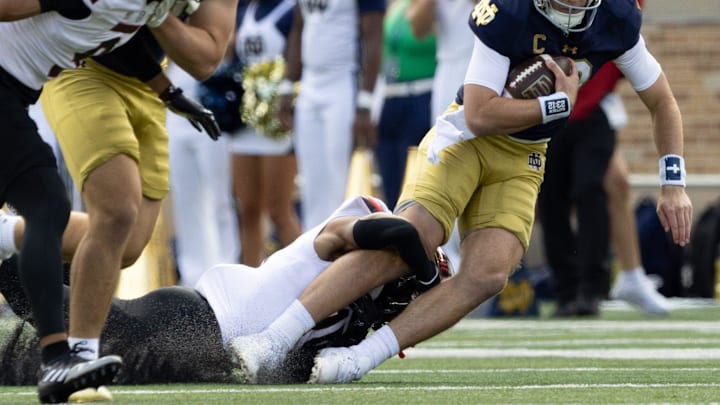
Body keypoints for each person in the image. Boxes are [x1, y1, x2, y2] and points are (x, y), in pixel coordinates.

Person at [230, 0, 693, 385]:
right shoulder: (510, 10)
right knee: (411, 238)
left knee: (490, 272)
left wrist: (673, 183)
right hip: (466, 140)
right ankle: (272, 337)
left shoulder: (616, 18)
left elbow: (662, 101)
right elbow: (479, 113)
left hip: (522, 159)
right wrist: (557, 104)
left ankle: (360, 358)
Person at [0, 195, 450, 385]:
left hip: (207, 340)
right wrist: (425, 270)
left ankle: (13, 252)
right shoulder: (339, 236)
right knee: (80, 328)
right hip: (198, 321)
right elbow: (394, 231)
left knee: (82, 312)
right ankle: (6, 241)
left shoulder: (351, 309)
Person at [0, 0, 197, 400]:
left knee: (47, 207)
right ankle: (57, 359)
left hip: (15, 93)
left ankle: (58, 361)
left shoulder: (149, 8)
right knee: (47, 207)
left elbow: (122, 36)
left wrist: (169, 93)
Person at [36, 0, 238, 386]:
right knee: (116, 211)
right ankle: (78, 360)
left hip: (148, 86)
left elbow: (206, 57)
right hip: (83, 65)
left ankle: (10, 234)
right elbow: (100, 21)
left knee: (125, 246)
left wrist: (156, 14)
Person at [278, 0, 385, 230]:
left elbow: (375, 38)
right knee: (311, 182)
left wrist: (365, 104)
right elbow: (299, 28)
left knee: (340, 180)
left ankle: (342, 249)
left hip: (343, 84)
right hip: (309, 84)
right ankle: (314, 249)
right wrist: (288, 86)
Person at [537, 61, 621, 317]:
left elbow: (639, 68)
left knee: (589, 189)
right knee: (550, 200)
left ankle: (592, 287)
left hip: (594, 116)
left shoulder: (611, 25)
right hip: (550, 118)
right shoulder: (540, 26)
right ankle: (566, 289)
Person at [232, 0, 302, 266]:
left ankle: (306, 279)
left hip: (277, 123)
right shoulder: (244, 11)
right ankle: (248, 277)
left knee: (279, 210)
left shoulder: (289, 10)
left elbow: (298, 60)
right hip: (246, 123)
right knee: (247, 209)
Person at [167, 62, 240, 288]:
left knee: (220, 198)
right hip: (175, 108)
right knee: (186, 201)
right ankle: (193, 276)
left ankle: (228, 272)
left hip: (211, 101)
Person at [375, 0, 437, 209]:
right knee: (389, 177)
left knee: (414, 181)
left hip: (421, 95)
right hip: (391, 97)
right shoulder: (397, 6)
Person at [605, 149, 671, 314]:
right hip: (544, 137)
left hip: (592, 127)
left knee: (615, 182)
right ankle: (569, 284)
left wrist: (673, 184)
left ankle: (631, 275)